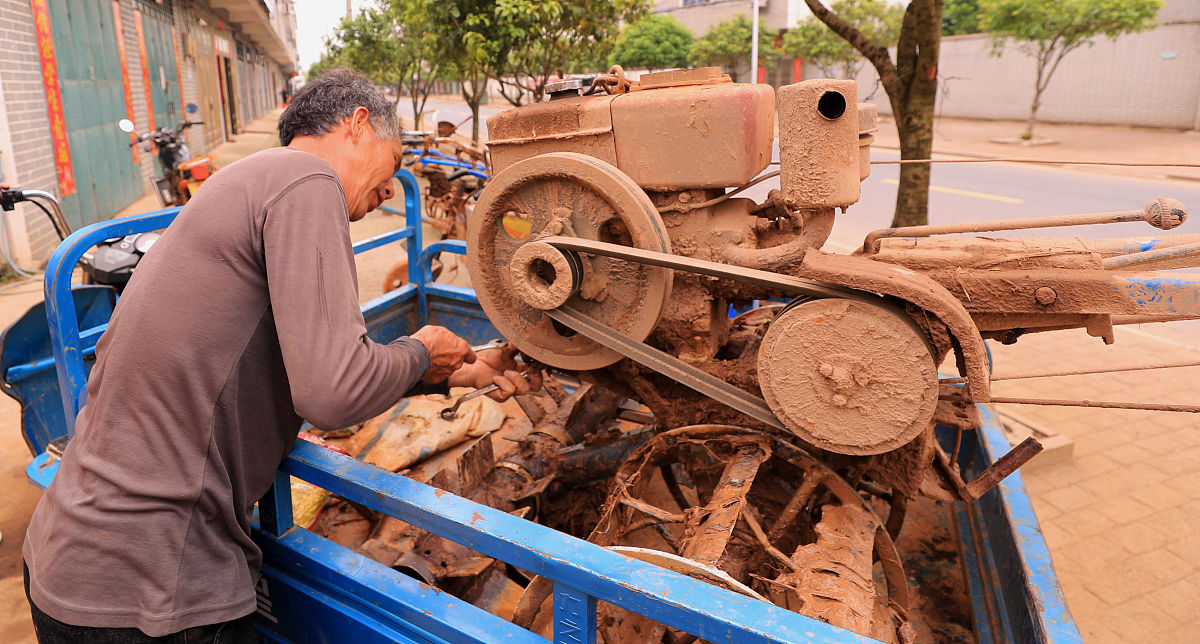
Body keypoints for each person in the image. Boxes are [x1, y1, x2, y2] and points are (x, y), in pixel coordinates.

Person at [22, 68, 537, 643]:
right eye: (393, 165)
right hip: (156, 591)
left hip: (68, 564)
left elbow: (316, 362)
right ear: (357, 125)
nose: (393, 190)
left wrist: (453, 371)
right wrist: (422, 348)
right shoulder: (306, 179)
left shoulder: (242, 182)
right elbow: (332, 393)